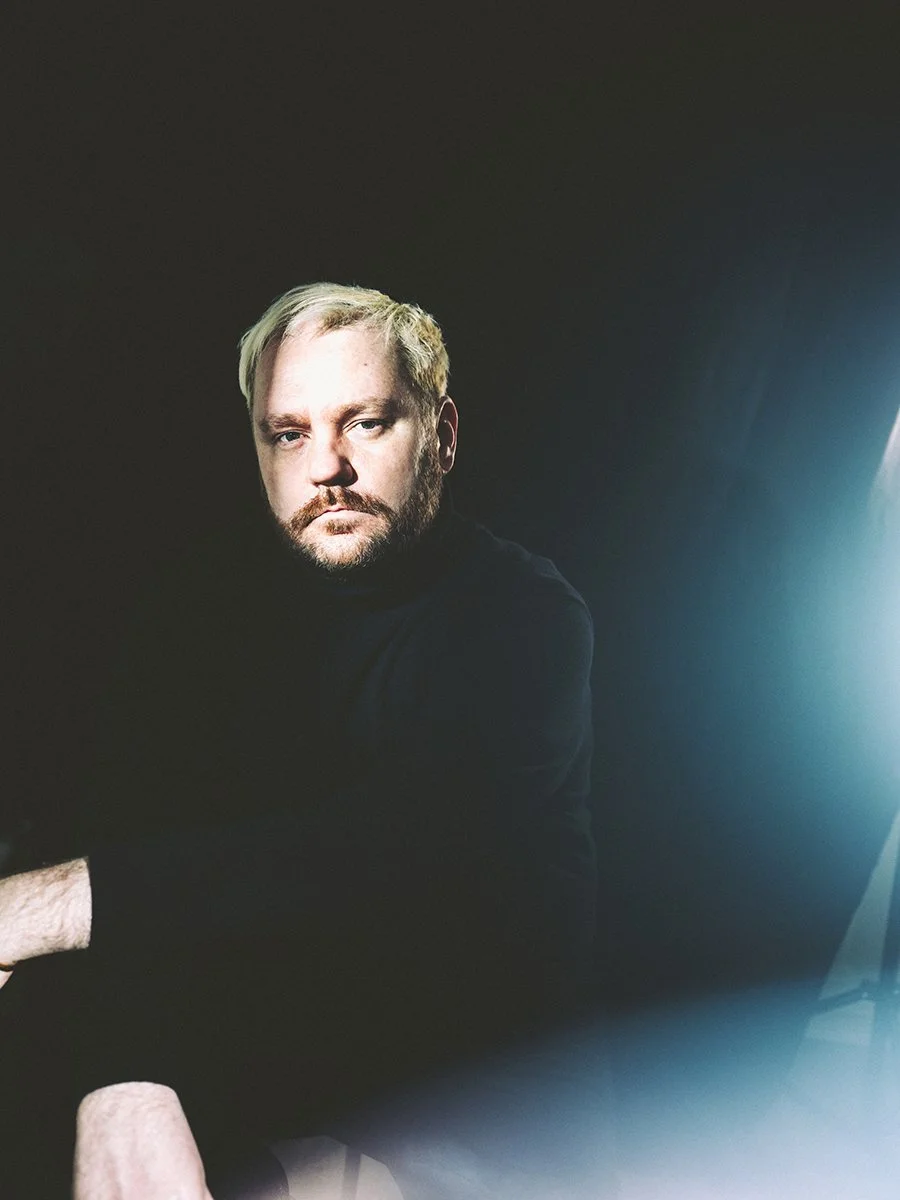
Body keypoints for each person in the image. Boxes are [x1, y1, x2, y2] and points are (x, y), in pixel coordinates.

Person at [0, 283, 600, 1198]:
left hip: (475, 1095)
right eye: (289, 433)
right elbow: (131, 825)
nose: (327, 467)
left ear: (439, 435)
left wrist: (54, 906)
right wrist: (124, 1080)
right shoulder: (200, 616)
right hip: (260, 1071)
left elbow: (383, 856)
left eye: (364, 423)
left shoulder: (524, 616)